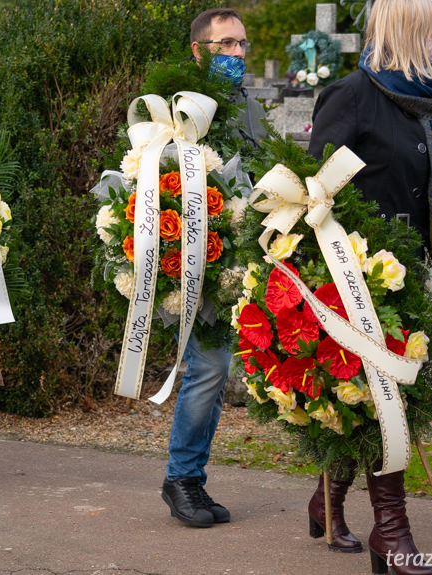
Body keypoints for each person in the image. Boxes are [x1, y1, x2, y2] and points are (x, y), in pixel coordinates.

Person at [306, 0, 432, 572]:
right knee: (384, 401)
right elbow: (317, 186)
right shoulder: (352, 96)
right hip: (356, 277)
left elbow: (430, 195)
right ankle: (391, 532)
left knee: (372, 400)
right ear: (406, 31)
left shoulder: (420, 106)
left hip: (405, 275)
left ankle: (327, 497)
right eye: (429, 32)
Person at [159, 7, 267, 529]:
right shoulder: (176, 107)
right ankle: (182, 478)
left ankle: (191, 480)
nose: (237, 54)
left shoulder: (250, 107)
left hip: (244, 258)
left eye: (242, 45)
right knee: (208, 368)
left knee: (217, 368)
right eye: (225, 45)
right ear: (199, 50)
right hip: (197, 258)